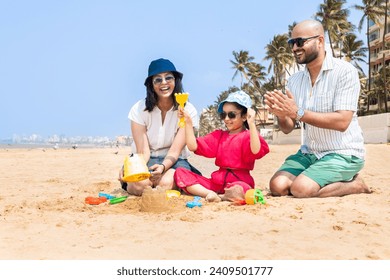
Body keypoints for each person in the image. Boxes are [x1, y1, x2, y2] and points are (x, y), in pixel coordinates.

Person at [264, 19, 371, 198]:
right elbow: (287, 128)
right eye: (291, 43)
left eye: (300, 42)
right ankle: (320, 177)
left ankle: (356, 184)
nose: (294, 48)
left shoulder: (345, 72)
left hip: (343, 153)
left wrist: (297, 112)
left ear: (320, 41)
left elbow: (343, 121)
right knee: (277, 186)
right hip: (310, 153)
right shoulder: (294, 80)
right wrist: (282, 115)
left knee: (300, 190)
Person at [119, 58, 199, 196]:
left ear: (175, 81)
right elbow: (143, 152)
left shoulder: (188, 110)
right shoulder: (139, 109)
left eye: (169, 78)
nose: (164, 83)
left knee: (165, 184)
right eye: (158, 79)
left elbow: (174, 152)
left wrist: (162, 167)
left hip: (175, 160)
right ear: (151, 84)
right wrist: (134, 168)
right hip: (148, 157)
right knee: (140, 186)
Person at [174, 90, 269, 202]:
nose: (226, 119)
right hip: (217, 182)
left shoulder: (249, 135)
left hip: (239, 181)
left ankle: (220, 197)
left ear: (244, 116)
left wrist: (252, 123)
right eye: (223, 115)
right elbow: (193, 146)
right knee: (180, 173)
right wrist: (188, 123)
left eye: (231, 115)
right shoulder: (219, 136)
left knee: (239, 190)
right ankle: (211, 194)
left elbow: (256, 151)